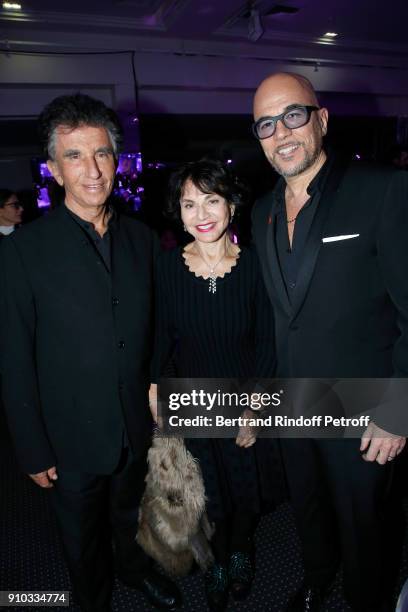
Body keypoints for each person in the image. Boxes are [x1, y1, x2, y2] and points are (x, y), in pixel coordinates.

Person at [0, 93, 181, 612]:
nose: (93, 170)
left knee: (130, 515)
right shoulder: (22, 251)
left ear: (117, 160)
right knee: (80, 540)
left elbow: (154, 329)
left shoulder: (143, 240)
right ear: (54, 169)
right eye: (75, 156)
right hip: (68, 434)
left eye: (102, 153)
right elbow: (14, 357)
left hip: (133, 422)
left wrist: (156, 388)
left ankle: (132, 570)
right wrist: (31, 447)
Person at [251, 71, 408, 612]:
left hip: (366, 410)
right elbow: (279, 315)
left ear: (321, 119)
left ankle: (369, 600)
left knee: (368, 525)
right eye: (266, 124)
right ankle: (320, 580)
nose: (282, 133)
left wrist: (398, 408)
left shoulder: (383, 190)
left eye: (293, 115)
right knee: (310, 511)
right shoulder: (259, 212)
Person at [151, 159, 283, 611]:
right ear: (178, 211)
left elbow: (268, 341)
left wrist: (255, 406)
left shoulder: (256, 266)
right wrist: (158, 392)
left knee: (244, 492)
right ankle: (218, 562)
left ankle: (241, 551)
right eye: (189, 204)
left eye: (211, 200)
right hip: (194, 403)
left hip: (246, 401)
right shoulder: (166, 269)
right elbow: (160, 342)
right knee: (206, 496)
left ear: (231, 205)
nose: (201, 213)